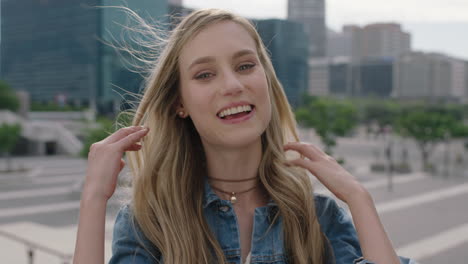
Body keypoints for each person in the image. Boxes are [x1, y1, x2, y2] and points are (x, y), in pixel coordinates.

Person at [73, 8, 416, 264]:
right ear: (180, 103)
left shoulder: (317, 216)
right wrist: (93, 199)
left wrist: (359, 198)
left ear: (266, 80)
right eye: (205, 74)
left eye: (245, 66)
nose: (233, 85)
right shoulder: (149, 223)